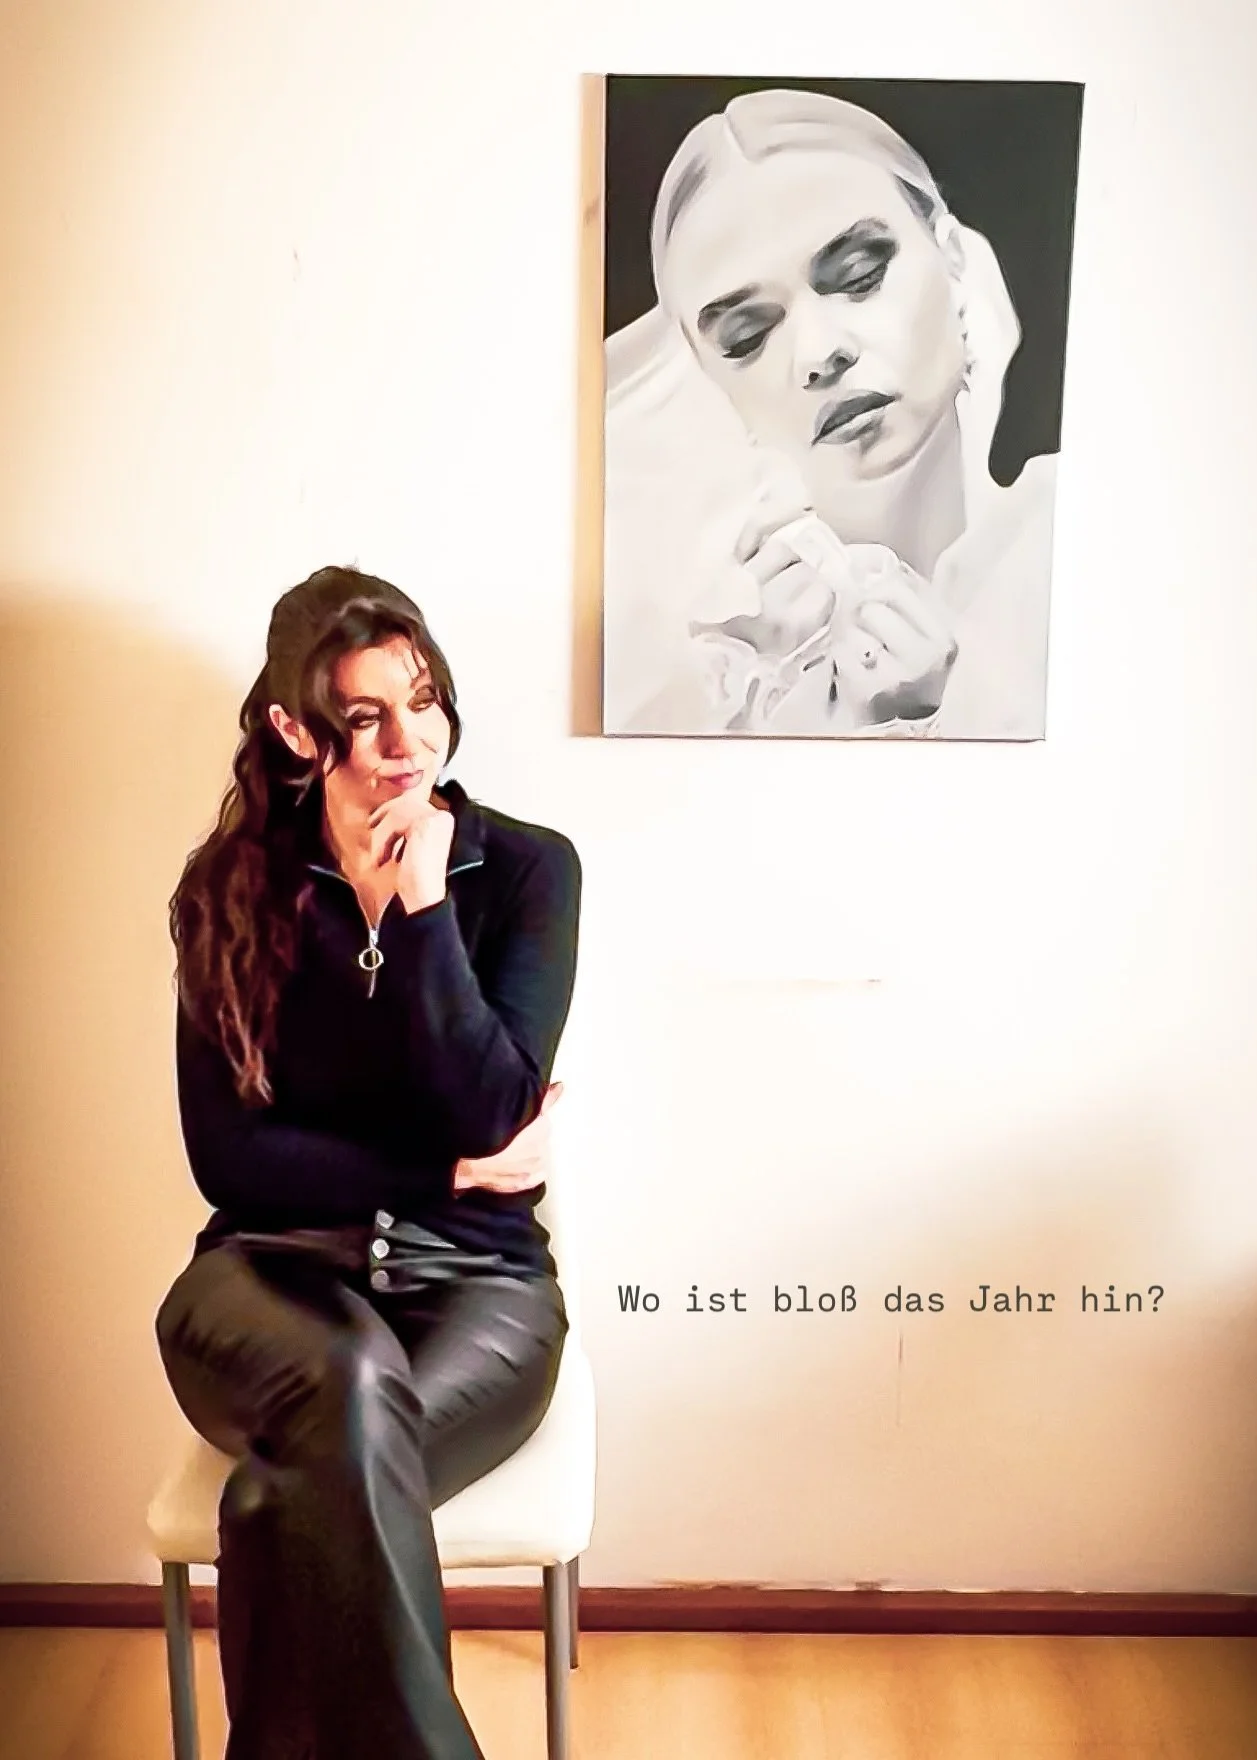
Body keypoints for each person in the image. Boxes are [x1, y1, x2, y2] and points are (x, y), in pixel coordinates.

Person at [154, 565, 582, 1760]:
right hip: (265, 1279)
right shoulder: (231, 889)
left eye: (424, 700)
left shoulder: (529, 869)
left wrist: (426, 910)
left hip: (479, 1286)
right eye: (366, 715)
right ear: (297, 729)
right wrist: (441, 1173)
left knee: (281, 1494)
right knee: (341, 1385)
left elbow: (492, 1107)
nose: (409, 741)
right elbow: (231, 1159)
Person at [602, 87, 1059, 739]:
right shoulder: (710, 668)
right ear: (706, 376)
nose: (818, 352)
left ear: (952, 257)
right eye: (747, 336)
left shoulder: (1062, 548)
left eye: (859, 275)